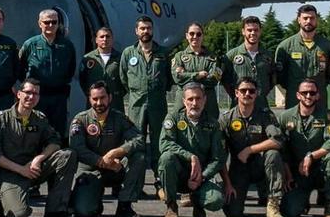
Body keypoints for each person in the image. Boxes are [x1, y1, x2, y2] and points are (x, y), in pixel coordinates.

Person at [0, 79, 75, 217]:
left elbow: (55, 142)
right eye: (27, 92)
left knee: (67, 155)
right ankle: (9, 202)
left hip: (32, 169)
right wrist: (20, 170)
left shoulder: (39, 118)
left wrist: (38, 159)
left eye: (35, 94)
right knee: (19, 216)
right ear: (18, 94)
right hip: (10, 174)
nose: (31, 97)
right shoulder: (0, 119)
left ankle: (56, 210)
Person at [69, 80, 145, 217]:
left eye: (102, 98)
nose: (99, 103)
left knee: (139, 157)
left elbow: (139, 139)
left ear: (110, 97)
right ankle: (94, 202)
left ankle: (124, 206)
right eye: (95, 99)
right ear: (89, 99)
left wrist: (118, 151)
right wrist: (101, 161)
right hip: (90, 171)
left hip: (115, 169)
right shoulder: (80, 120)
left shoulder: (120, 118)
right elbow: (77, 148)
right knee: (84, 211)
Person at [157, 82, 228, 217]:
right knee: (166, 158)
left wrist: (202, 177)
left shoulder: (213, 124)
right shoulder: (173, 119)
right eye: (190, 99)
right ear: (184, 101)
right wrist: (190, 156)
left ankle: (198, 202)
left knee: (217, 200)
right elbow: (165, 144)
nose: (194, 103)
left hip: (200, 177)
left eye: (198, 98)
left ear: (205, 100)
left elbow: (218, 158)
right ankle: (171, 206)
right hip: (177, 174)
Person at [220, 79, 288, 217]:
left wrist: (249, 150)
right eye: (243, 90)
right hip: (239, 169)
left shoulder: (265, 115)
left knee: (273, 154)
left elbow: (278, 140)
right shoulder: (227, 119)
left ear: (256, 94)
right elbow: (220, 154)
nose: (247, 94)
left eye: (251, 91)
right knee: (233, 213)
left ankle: (273, 205)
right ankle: (255, 194)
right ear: (236, 93)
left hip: (261, 167)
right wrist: (227, 184)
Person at [278, 81, 330, 217]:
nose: (308, 96)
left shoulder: (328, 115)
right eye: (304, 93)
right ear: (298, 95)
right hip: (298, 173)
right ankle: (303, 201)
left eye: (312, 93)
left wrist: (311, 156)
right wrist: (288, 175)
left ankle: (329, 206)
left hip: (320, 168)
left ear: (318, 96)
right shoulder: (285, 117)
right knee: (290, 212)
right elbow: (281, 149)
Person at [18, 8, 80, 131]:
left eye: (54, 22)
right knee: (34, 129)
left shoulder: (67, 45)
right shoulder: (30, 44)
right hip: (37, 96)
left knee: (57, 130)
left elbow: (71, 69)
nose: (50, 25)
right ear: (40, 23)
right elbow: (20, 68)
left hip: (59, 96)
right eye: (46, 22)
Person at [119, 15, 173, 157]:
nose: (145, 31)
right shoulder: (128, 53)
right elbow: (123, 77)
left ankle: (158, 175)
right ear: (136, 31)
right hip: (136, 104)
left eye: (148, 28)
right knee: (136, 140)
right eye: (142, 28)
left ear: (152, 30)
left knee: (159, 140)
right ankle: (136, 177)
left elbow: (169, 77)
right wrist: (137, 90)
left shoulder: (163, 52)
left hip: (158, 104)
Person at [274, 5, 330, 108]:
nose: (308, 21)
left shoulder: (327, 46)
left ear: (317, 20)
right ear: (299, 20)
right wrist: (295, 87)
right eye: (305, 18)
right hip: (294, 101)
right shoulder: (285, 46)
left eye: (312, 18)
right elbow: (280, 76)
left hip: (319, 101)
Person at [170, 22, 227, 120]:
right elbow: (177, 78)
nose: (195, 36)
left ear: (202, 36)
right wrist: (198, 75)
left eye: (198, 34)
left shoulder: (213, 58)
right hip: (184, 104)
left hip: (208, 104)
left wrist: (186, 75)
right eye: (192, 34)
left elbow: (213, 80)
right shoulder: (179, 56)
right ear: (187, 36)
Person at [226, 15, 278, 106]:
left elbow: (272, 80)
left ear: (260, 31)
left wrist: (261, 93)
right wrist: (237, 95)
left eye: (256, 30)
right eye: (249, 30)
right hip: (238, 105)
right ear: (243, 31)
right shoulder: (231, 56)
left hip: (261, 105)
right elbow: (225, 80)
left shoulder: (268, 56)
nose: (253, 33)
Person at [79, 26, 123, 112]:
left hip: (115, 103)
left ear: (112, 39)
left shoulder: (120, 58)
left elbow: (125, 80)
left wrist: (116, 92)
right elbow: (83, 80)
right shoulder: (87, 58)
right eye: (101, 37)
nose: (105, 39)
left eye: (108, 36)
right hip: (95, 103)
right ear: (96, 40)